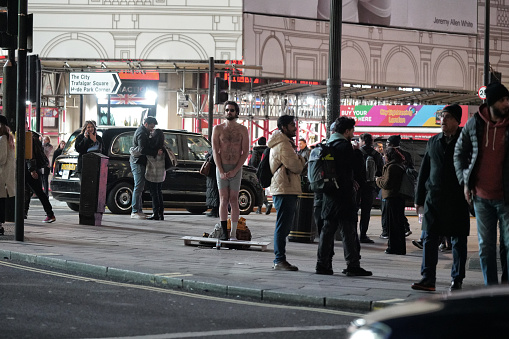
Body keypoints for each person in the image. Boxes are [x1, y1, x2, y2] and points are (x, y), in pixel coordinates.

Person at [454, 82, 509, 286]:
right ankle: (491, 290)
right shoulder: (475, 123)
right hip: (481, 197)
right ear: (492, 102)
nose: (507, 103)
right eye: (503, 100)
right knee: (486, 247)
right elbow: (459, 153)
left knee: (508, 245)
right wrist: (465, 182)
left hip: (506, 197)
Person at [411, 104, 470, 292]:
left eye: (448, 117)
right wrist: (419, 198)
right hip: (434, 198)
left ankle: (457, 279)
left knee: (458, 241)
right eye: (442, 116)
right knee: (429, 238)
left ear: (457, 121)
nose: (443, 120)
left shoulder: (466, 140)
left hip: (457, 198)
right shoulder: (433, 141)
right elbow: (424, 171)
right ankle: (428, 278)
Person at [315, 117, 372, 276]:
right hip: (344, 195)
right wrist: (356, 153)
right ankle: (352, 265)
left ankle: (323, 264)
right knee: (349, 230)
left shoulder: (328, 144)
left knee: (327, 230)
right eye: (352, 130)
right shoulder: (346, 147)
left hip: (329, 193)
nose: (353, 133)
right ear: (346, 131)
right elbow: (355, 168)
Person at [268, 115, 306, 270]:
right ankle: (279, 260)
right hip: (284, 188)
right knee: (283, 225)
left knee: (284, 225)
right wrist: (302, 160)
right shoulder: (283, 144)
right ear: (283, 127)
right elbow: (296, 167)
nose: (295, 128)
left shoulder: (284, 143)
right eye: (291, 125)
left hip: (285, 187)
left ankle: (280, 259)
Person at [212, 101, 250, 241]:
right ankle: (223, 231)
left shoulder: (242, 130)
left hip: (236, 167)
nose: (229, 112)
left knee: (234, 199)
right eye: (227, 110)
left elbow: (245, 151)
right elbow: (215, 151)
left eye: (232, 110)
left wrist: (235, 169)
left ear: (236, 112)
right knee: (223, 198)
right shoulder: (218, 129)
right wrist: (221, 170)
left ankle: (233, 233)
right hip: (222, 166)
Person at [130, 116, 162, 219]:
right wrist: (155, 152)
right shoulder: (141, 133)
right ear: (146, 124)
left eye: (153, 128)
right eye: (151, 127)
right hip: (138, 161)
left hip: (140, 161)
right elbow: (142, 149)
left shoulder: (144, 132)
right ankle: (135, 211)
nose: (152, 129)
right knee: (138, 186)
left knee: (140, 186)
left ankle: (138, 210)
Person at [376, 147, 406, 255]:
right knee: (398, 224)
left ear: (389, 156)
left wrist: (378, 180)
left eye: (385, 155)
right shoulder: (399, 165)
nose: (384, 157)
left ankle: (393, 247)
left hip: (391, 198)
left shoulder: (392, 167)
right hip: (398, 198)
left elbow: (386, 184)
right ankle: (400, 247)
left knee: (392, 225)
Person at [382, 135, 413, 238]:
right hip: (403, 188)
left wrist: (378, 180)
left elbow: (387, 179)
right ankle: (405, 227)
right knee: (399, 211)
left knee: (390, 213)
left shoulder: (392, 156)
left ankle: (387, 232)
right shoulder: (407, 154)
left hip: (392, 190)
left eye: (387, 143)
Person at [24, 121, 56, 223]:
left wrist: (32, 170)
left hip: (30, 169)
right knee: (26, 191)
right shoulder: (31, 136)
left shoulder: (29, 137)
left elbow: (31, 155)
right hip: (28, 168)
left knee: (37, 191)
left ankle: (50, 214)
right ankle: (23, 213)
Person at [358, 133, 384, 243]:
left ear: (362, 141)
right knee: (366, 211)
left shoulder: (357, 152)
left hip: (357, 185)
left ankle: (352, 233)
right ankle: (363, 235)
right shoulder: (376, 155)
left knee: (353, 210)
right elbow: (380, 171)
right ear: (371, 142)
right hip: (370, 186)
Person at [145, 129, 166, 220]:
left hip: (152, 172)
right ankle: (161, 213)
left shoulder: (152, 146)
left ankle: (155, 213)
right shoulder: (163, 146)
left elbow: (148, 156)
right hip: (161, 173)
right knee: (159, 192)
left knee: (154, 193)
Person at [248, 136, 272, 215]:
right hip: (266, 172)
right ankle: (260, 208)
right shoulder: (268, 149)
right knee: (261, 188)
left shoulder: (256, 150)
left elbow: (254, 162)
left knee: (258, 188)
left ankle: (266, 204)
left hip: (257, 171)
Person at [0, 115, 15, 235]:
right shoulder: (9, 138)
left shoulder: (2, 139)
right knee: (1, 201)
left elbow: (1, 158)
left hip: (1, 175)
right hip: (5, 176)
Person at [205, 152, 219, 218]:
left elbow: (212, 158)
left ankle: (215, 210)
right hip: (214, 172)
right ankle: (216, 210)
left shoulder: (216, 146)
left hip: (213, 173)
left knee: (214, 192)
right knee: (215, 192)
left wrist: (207, 156)